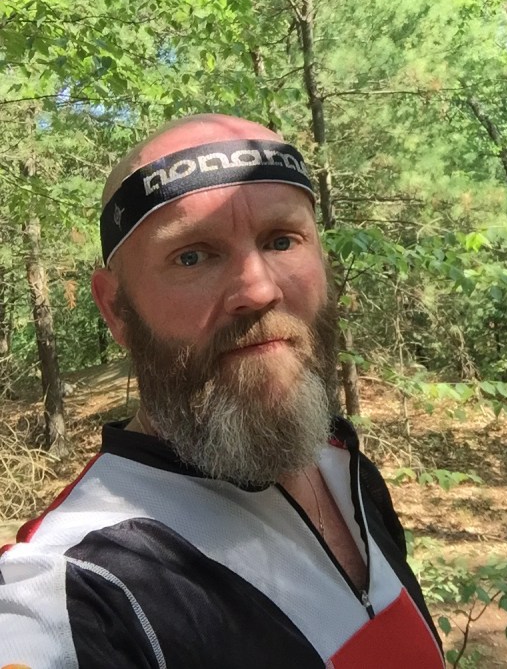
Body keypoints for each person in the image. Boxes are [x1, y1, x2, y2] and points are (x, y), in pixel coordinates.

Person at [0, 113, 444, 668]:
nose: (257, 289)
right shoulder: (80, 583)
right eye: (192, 255)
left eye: (281, 241)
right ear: (116, 309)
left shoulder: (343, 467)